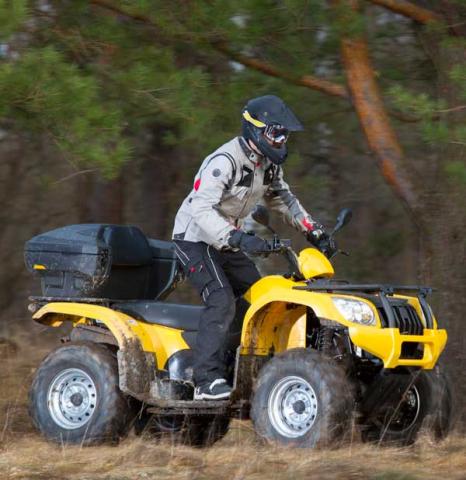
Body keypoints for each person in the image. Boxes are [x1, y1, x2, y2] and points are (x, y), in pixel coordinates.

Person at [172, 95, 331, 400]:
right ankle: (204, 381)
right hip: (193, 239)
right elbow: (200, 210)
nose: (281, 140)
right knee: (221, 300)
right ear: (255, 129)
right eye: (276, 133)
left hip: (227, 239)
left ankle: (237, 367)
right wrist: (237, 238)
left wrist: (314, 231)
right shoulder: (225, 161)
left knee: (261, 296)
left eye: (284, 134)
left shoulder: (267, 164)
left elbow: (283, 199)